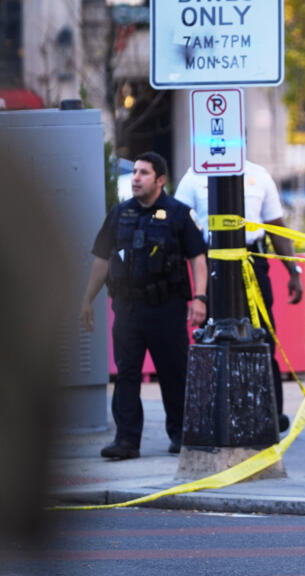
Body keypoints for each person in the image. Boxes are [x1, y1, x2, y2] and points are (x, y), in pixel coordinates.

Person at [80, 152, 208, 459]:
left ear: (160, 180)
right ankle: (126, 440)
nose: (136, 178)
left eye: (144, 173)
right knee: (126, 375)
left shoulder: (179, 214)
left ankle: (180, 434)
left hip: (167, 307)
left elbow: (197, 259)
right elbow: (101, 260)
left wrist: (200, 298)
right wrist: (87, 299)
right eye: (135, 172)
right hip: (128, 309)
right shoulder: (119, 214)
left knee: (174, 372)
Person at [175, 160, 303, 433]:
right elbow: (179, 224)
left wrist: (293, 270)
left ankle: (271, 412)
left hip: (252, 261)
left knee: (263, 334)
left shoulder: (259, 174)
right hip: (214, 262)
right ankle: (215, 412)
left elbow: (275, 226)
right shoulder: (195, 175)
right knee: (213, 338)